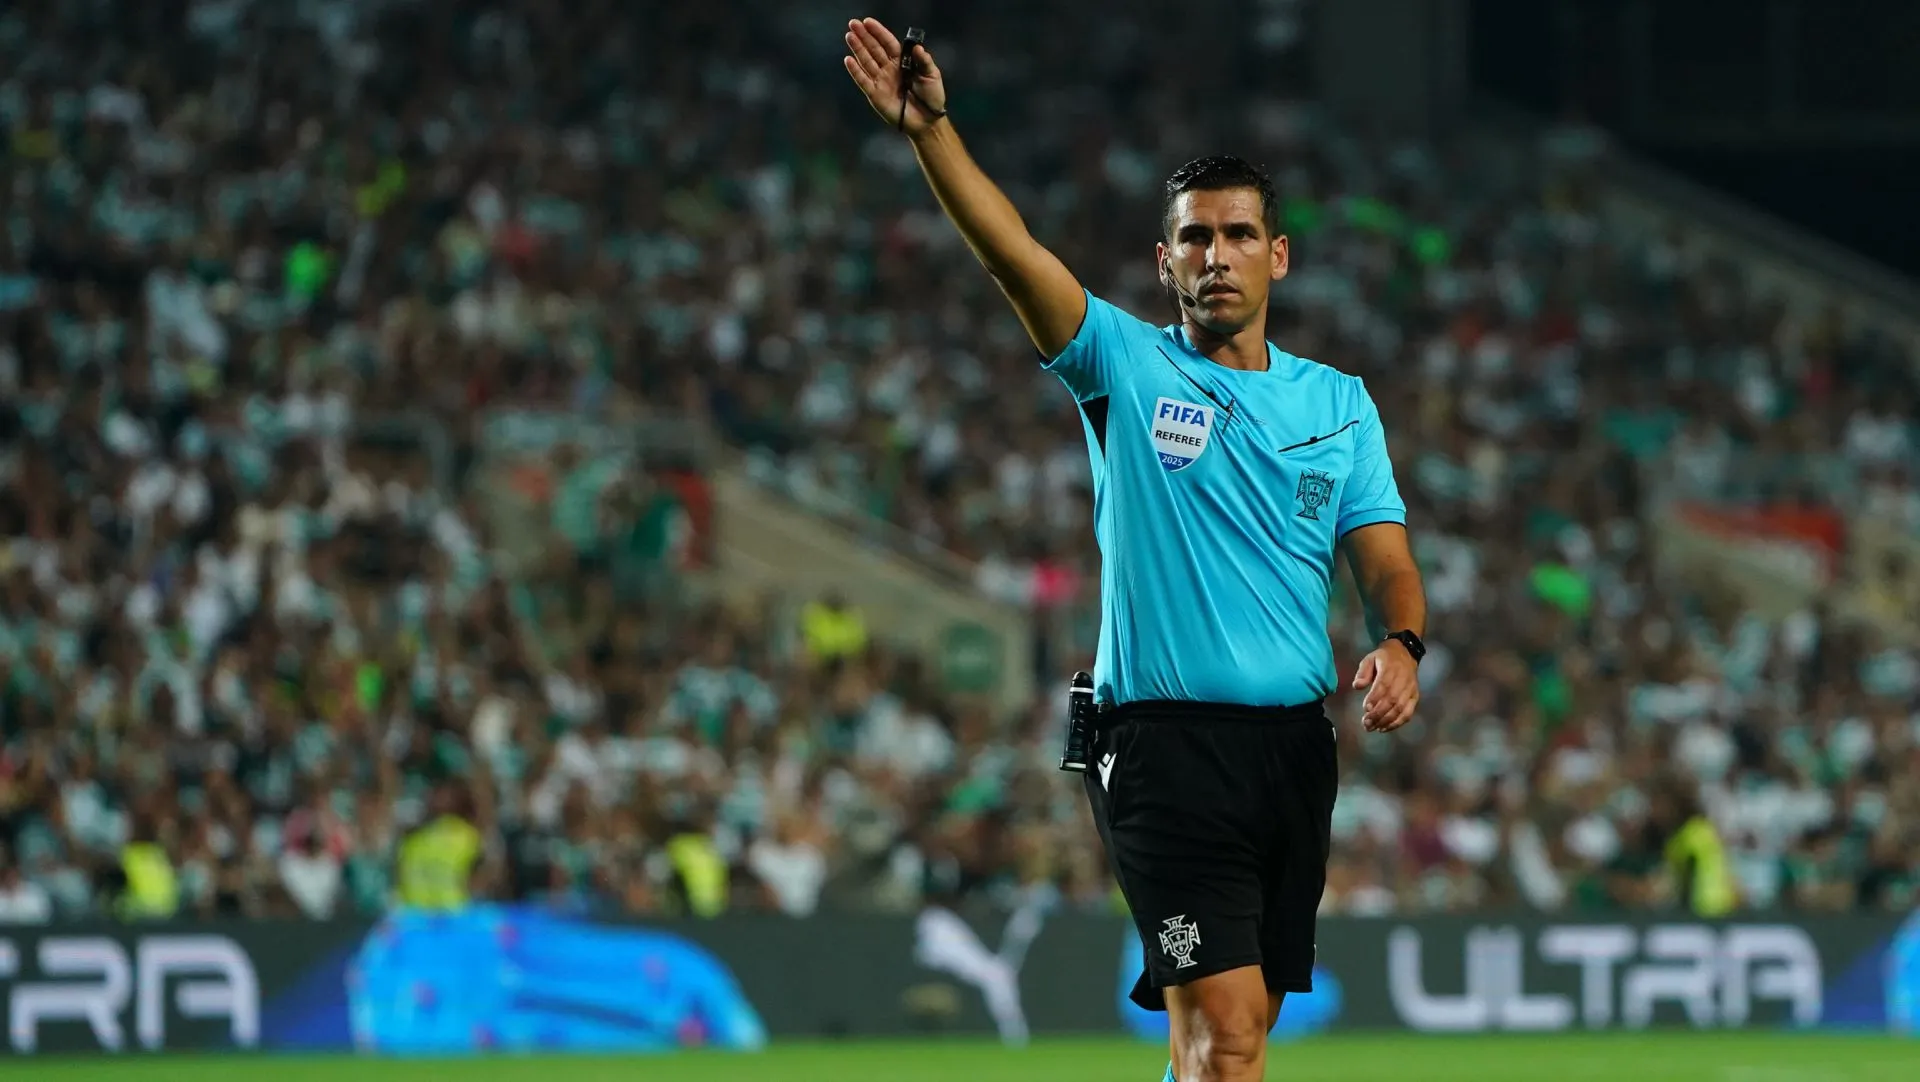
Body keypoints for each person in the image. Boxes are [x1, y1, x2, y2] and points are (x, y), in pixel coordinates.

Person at [843, 20, 1427, 1082]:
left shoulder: (1338, 405)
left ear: (1277, 254)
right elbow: (1013, 254)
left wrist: (1403, 639)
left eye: (1238, 234)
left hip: (1293, 754)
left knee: (1211, 1041)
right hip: (1161, 749)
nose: (1216, 256)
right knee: (1230, 1040)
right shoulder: (1122, 363)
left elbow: (1381, 551)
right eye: (1195, 238)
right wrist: (933, 135)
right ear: (1164, 262)